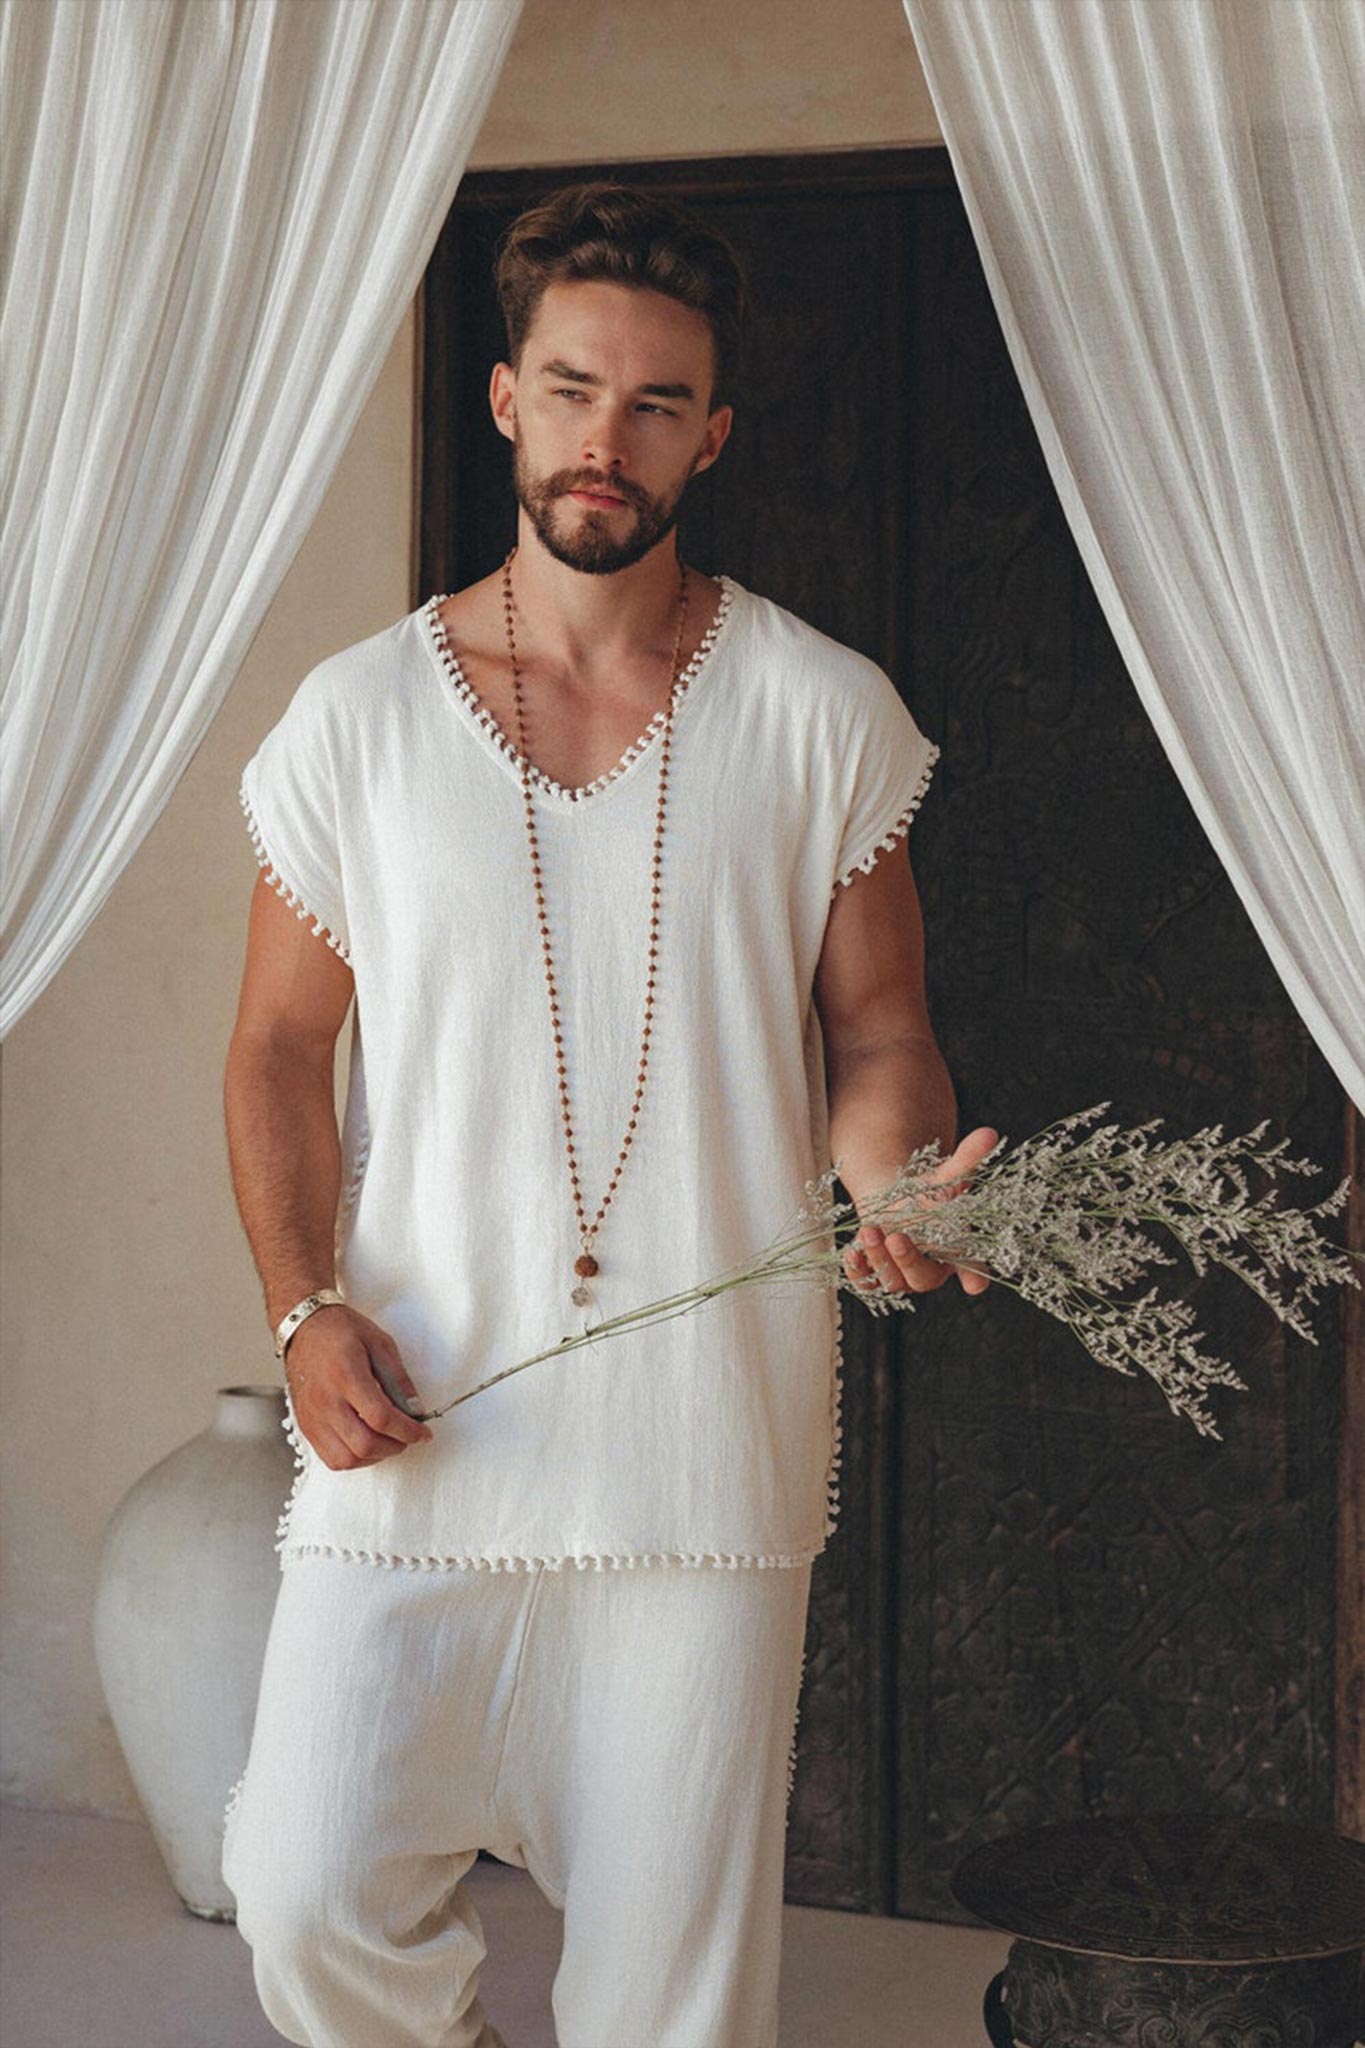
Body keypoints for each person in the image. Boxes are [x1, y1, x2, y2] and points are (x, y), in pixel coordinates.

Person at [219, 179, 995, 2048]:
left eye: (655, 404)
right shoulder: (352, 721)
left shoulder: (820, 711)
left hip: (697, 1448)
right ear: (506, 400)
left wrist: (897, 1184)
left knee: (674, 1993)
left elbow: (878, 1031)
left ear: (708, 436)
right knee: (305, 1895)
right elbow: (272, 1051)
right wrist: (301, 1304)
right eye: (573, 388)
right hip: (426, 1418)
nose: (606, 436)